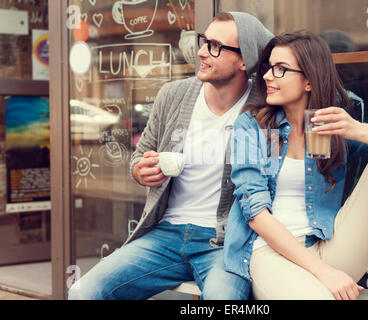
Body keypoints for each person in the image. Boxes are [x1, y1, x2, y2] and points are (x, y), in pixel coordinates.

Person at [68, 12, 273, 300]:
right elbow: (138, 159)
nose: (201, 51)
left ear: (244, 60)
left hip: (225, 243)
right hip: (165, 234)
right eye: (204, 41)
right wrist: (142, 170)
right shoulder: (173, 94)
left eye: (215, 46)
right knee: (83, 292)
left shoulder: (262, 110)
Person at [223, 30, 368, 300]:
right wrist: (325, 273)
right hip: (269, 256)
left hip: (327, 247)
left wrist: (356, 129)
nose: (267, 76)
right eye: (269, 67)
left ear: (309, 81)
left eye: (280, 69)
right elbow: (256, 214)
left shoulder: (328, 126)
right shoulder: (253, 126)